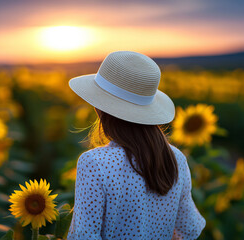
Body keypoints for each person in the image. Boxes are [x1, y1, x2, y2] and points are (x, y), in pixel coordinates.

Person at [66, 51, 206, 240]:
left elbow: (83, 236)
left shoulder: (94, 163)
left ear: (99, 109)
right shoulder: (176, 159)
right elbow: (189, 229)